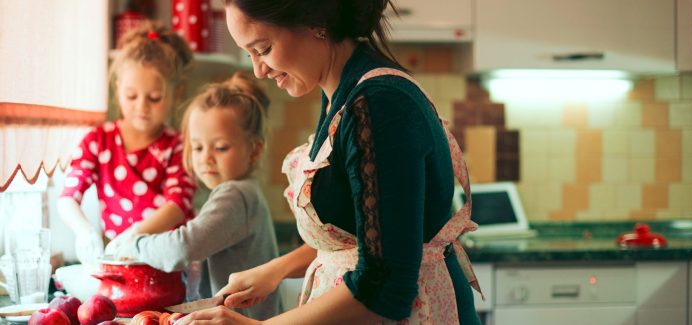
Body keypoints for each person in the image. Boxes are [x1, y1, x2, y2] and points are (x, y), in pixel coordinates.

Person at [179, 0, 483, 324]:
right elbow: (365, 234)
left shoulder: (379, 104)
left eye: (263, 48)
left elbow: (384, 288)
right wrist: (275, 271)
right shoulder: (343, 94)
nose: (259, 70)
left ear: (314, 21)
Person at [106, 72, 280, 320]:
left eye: (220, 147)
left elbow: (183, 248)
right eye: (198, 147)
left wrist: (134, 243)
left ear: (254, 150)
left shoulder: (235, 194)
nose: (206, 157)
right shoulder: (243, 191)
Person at [58, 21, 196, 265]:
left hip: (168, 262)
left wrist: (134, 235)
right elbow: (68, 197)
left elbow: (178, 205)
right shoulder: (98, 141)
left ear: (178, 93)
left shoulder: (178, 146)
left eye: (154, 98)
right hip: (120, 260)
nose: (141, 107)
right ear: (118, 88)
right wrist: (84, 231)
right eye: (132, 96)